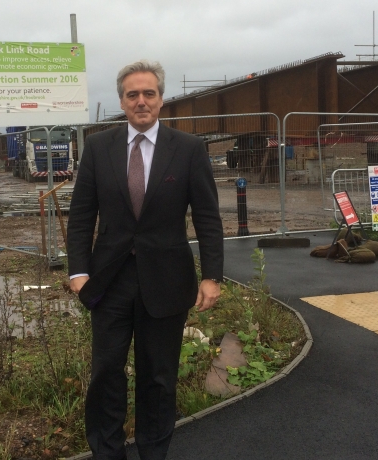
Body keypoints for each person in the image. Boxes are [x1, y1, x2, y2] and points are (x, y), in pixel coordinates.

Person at [67, 60, 224, 460]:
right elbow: (83, 214)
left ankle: (154, 452)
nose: (141, 101)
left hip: (167, 281)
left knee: (158, 377)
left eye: (148, 93)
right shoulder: (99, 148)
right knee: (106, 373)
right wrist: (78, 272)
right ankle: (107, 451)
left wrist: (212, 276)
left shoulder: (188, 149)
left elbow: (207, 216)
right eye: (132, 94)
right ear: (121, 100)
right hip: (108, 282)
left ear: (160, 99)